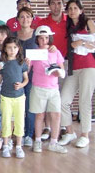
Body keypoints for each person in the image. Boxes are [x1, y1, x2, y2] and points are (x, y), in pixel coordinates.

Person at [59, 0, 95, 148]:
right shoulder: (69, 26)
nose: (72, 11)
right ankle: (70, 132)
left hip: (89, 66)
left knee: (84, 100)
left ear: (81, 10)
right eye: (70, 8)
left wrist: (82, 43)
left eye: (75, 8)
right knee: (63, 101)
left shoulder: (88, 23)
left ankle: (85, 135)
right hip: (74, 68)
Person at [28, 25, 67, 154]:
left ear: (49, 38)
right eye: (41, 38)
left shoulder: (56, 52)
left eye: (46, 38)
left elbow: (62, 70)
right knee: (39, 115)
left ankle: (53, 142)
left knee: (56, 114)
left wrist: (58, 72)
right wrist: (26, 63)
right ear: (37, 39)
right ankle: (38, 141)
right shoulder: (34, 53)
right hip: (38, 88)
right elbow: (27, 70)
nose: (44, 40)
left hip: (53, 89)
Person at [37, 0, 68, 140]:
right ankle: (47, 128)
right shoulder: (43, 22)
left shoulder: (69, 22)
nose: (56, 6)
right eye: (53, 3)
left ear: (63, 5)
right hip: (44, 64)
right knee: (46, 96)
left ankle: (61, 127)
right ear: (49, 5)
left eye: (59, 3)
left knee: (60, 97)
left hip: (63, 62)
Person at [0, 37, 29, 158]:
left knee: (19, 121)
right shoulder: (2, 63)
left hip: (19, 97)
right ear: (5, 49)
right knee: (6, 121)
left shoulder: (21, 62)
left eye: (14, 47)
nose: (12, 50)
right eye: (9, 47)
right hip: (5, 96)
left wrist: (21, 85)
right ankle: (5, 145)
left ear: (18, 48)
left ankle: (18, 146)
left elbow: (26, 79)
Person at [14, 7, 39, 147]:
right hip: (16, 77)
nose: (25, 19)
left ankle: (29, 134)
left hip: (33, 76)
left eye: (28, 17)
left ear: (32, 19)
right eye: (22, 17)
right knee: (18, 107)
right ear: (18, 20)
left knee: (30, 106)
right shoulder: (13, 35)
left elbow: (44, 49)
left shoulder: (37, 35)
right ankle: (19, 133)